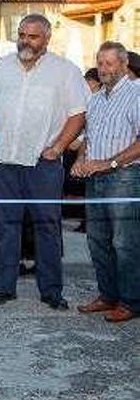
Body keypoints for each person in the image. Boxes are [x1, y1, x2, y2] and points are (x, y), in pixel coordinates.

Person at [0, 13, 90, 309]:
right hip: (3, 163)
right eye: (22, 34)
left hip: (44, 165)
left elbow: (78, 114)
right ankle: (2, 288)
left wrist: (59, 147)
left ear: (47, 38)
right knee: (3, 225)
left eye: (32, 36)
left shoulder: (65, 71)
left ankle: (51, 291)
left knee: (48, 227)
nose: (25, 40)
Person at [71, 42, 140, 323]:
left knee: (125, 243)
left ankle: (131, 302)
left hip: (125, 177)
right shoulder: (96, 98)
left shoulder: (137, 94)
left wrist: (109, 163)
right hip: (95, 179)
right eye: (99, 63)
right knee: (97, 240)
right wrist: (81, 160)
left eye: (109, 64)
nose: (103, 69)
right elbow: (89, 138)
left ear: (124, 65)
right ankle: (108, 295)